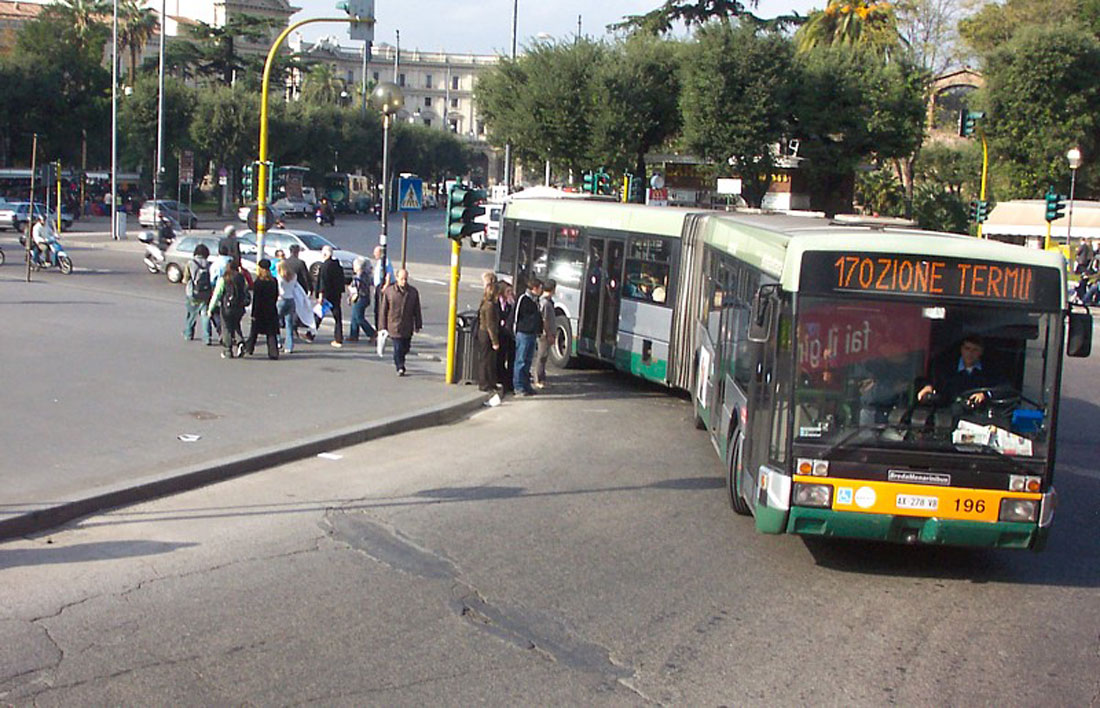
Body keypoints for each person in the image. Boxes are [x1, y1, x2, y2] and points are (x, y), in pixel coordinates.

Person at [917, 335, 1002, 408]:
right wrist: (927, 387)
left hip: (977, 418)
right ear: (961, 349)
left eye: (975, 350)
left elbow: (1003, 388)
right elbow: (929, 381)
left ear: (981, 352)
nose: (970, 353)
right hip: (944, 415)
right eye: (967, 348)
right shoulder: (944, 367)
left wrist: (984, 395)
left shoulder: (991, 370)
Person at [379, 268, 422, 376]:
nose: (404, 281)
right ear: (397, 278)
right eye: (402, 279)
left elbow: (417, 309)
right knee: (397, 347)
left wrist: (418, 324)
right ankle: (400, 366)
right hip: (393, 325)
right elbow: (383, 310)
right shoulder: (390, 291)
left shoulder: (413, 292)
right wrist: (382, 327)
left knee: (405, 347)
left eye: (406, 279)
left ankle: (401, 360)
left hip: (407, 326)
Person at [209, 260, 249, 359]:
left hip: (227, 307)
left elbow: (217, 294)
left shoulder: (224, 279)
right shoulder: (241, 278)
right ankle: (240, 342)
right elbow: (246, 289)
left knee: (226, 328)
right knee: (236, 325)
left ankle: (228, 350)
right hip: (239, 307)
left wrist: (210, 308)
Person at [243, 259, 280, 360]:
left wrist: (254, 313)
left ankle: (249, 348)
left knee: (254, 331)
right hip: (271, 309)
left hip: (260, 310)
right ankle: (273, 352)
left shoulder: (258, 282)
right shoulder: (274, 281)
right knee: (271, 333)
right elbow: (276, 295)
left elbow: (256, 299)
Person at [512, 277, 543, 396]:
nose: (541, 290)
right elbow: (516, 317)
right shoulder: (523, 299)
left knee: (528, 361)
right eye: (540, 288)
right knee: (521, 360)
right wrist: (516, 331)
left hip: (532, 334)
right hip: (523, 333)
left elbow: (538, 317)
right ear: (534, 288)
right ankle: (519, 387)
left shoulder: (536, 301)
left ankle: (526, 385)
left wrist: (539, 331)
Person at [182, 243, 214, 344]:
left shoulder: (190, 263)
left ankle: (188, 334)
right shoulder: (209, 264)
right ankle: (207, 338)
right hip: (206, 294)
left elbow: (185, 279)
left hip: (193, 293)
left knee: (191, 314)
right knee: (205, 316)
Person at [314, 245, 346, 347]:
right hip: (336, 294)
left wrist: (320, 295)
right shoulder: (337, 265)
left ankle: (311, 333)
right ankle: (338, 337)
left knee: (320, 314)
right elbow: (342, 280)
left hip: (327, 295)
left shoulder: (324, 266)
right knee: (337, 317)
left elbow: (323, 282)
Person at [476, 278, 503, 392]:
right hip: (486, 335)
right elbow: (490, 325)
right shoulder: (490, 306)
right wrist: (495, 342)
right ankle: (484, 383)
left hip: (484, 333)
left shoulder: (485, 303)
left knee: (487, 359)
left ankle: (489, 382)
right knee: (486, 360)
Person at [533, 278, 557, 389]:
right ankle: (538, 379)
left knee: (544, 356)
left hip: (547, 333)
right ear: (552, 289)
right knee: (541, 356)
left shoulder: (548, 301)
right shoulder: (545, 303)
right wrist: (549, 334)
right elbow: (545, 320)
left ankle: (542, 378)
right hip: (544, 335)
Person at [348, 256, 376, 342]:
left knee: (359, 317)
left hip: (360, 298)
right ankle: (353, 335)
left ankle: (372, 333)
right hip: (364, 298)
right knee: (354, 316)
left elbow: (356, 289)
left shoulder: (359, 277)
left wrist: (350, 296)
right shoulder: (366, 275)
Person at [497, 282, 516, 394]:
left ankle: (509, 382)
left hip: (509, 335)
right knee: (500, 358)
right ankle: (501, 380)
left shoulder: (511, 303)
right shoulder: (498, 302)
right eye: (508, 291)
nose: (510, 294)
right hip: (501, 334)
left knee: (511, 358)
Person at [276, 260, 298, 354]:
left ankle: (277, 342)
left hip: (281, 300)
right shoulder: (294, 276)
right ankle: (289, 346)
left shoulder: (279, 278)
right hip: (291, 300)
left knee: (275, 322)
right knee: (289, 324)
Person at [372, 245, 395, 330]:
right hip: (378, 286)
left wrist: (386, 285)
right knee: (377, 308)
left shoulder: (385, 261)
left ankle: (382, 328)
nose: (374, 254)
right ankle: (378, 327)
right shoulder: (379, 261)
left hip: (383, 286)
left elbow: (388, 273)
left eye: (375, 253)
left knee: (382, 308)